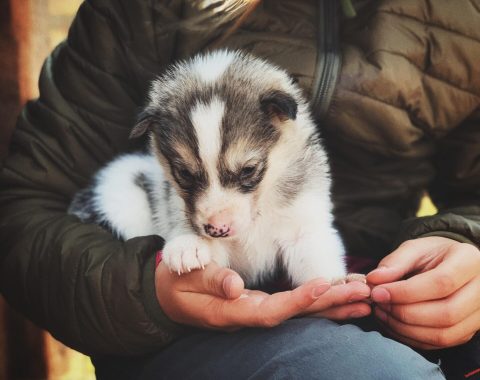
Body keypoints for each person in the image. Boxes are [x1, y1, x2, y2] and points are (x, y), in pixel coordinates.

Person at [0, 0, 479, 379]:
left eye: (244, 173)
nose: (212, 212)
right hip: (175, 333)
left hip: (374, 289)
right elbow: (26, 210)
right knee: (366, 371)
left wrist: (468, 243)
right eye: (188, 177)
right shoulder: (142, 13)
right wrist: (150, 289)